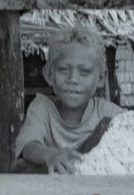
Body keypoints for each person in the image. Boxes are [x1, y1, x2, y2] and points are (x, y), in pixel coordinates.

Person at [15, 25, 124, 173]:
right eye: (63, 70)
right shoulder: (41, 109)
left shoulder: (110, 114)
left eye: (84, 72)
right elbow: (28, 147)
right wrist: (50, 154)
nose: (73, 79)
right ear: (48, 75)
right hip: (51, 192)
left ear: (101, 78)